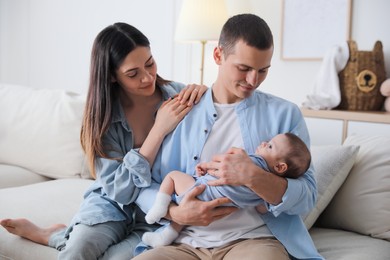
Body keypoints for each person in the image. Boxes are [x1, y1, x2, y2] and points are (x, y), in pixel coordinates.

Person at [0, 22, 211, 259]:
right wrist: (158, 130)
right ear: (112, 76)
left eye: (150, 63)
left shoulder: (179, 98)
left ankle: (58, 236)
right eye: (133, 73)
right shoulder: (102, 117)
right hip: (111, 203)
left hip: (156, 214)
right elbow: (120, 191)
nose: (147, 77)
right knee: (77, 252)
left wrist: (208, 97)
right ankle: (67, 236)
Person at [133, 14, 323, 260]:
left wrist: (253, 176)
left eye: (263, 70)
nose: (253, 80)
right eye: (243, 69)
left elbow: (307, 196)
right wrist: (175, 213)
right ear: (218, 55)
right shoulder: (178, 111)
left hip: (254, 241)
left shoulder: (285, 115)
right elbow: (143, 184)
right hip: (182, 243)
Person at [142, 132, 312, 248]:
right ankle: (165, 235)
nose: (263, 143)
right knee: (186, 214)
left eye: (270, 146)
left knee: (172, 176)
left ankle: (160, 207)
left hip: (201, 190)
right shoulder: (264, 192)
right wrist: (176, 213)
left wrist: (205, 166)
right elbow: (262, 208)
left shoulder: (251, 161)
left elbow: (223, 165)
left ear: (280, 166)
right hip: (217, 207)